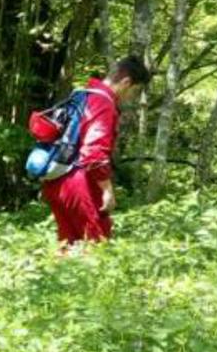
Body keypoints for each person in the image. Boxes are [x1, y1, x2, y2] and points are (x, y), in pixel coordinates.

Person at [40, 56, 151, 247]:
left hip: (56, 178)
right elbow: (94, 152)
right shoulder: (103, 102)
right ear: (126, 82)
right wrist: (107, 189)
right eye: (135, 91)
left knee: (68, 246)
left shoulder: (83, 94)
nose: (132, 97)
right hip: (80, 182)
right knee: (96, 246)